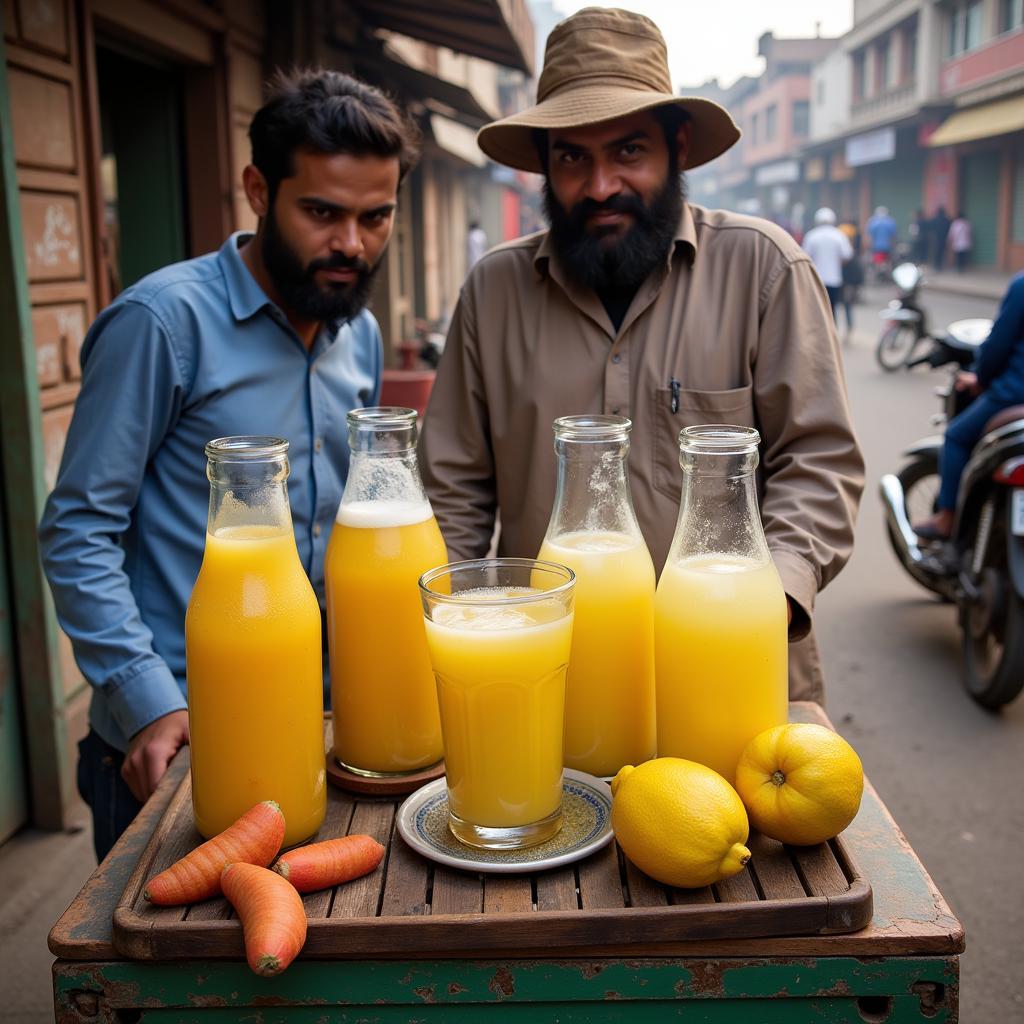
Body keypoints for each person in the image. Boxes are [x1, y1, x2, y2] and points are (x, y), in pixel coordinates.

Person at [419, 7, 864, 704]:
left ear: (677, 146)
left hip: (733, 673)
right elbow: (455, 492)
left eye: (628, 151)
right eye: (572, 157)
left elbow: (817, 466)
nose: (600, 187)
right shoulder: (494, 290)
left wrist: (763, 603)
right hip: (547, 681)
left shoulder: (765, 269)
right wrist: (463, 639)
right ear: (543, 163)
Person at [38, 69, 420, 861]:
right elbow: (78, 526)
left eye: (375, 217)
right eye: (322, 212)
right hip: (175, 741)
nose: (351, 243)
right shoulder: (161, 323)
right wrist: (144, 702)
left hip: (307, 732)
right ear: (257, 189)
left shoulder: (361, 335)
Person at [914, 272, 1024, 541]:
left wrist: (980, 377)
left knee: (956, 435)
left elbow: (997, 344)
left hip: (1014, 393)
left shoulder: (1021, 285)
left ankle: (947, 518)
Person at [802, 207, 852, 325]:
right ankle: (832, 334)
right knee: (832, 308)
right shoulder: (839, 235)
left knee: (817, 309)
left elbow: (804, 256)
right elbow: (847, 255)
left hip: (816, 279)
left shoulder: (812, 235)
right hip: (834, 279)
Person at [838, 216, 864, 339]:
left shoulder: (850, 256)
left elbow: (857, 274)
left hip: (847, 283)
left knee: (847, 304)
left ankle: (849, 327)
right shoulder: (846, 253)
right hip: (843, 282)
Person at [865, 205, 897, 279]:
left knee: (878, 262)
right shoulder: (890, 221)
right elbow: (894, 235)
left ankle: (878, 275)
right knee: (888, 262)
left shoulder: (873, 222)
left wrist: (868, 246)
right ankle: (888, 276)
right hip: (888, 246)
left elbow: (869, 236)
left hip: (877, 247)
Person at [929, 206, 951, 270]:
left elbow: (931, 228)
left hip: (936, 239)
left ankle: (936, 266)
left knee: (936, 253)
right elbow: (949, 229)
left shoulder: (934, 219)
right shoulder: (947, 220)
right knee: (942, 253)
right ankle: (940, 266)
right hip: (944, 239)